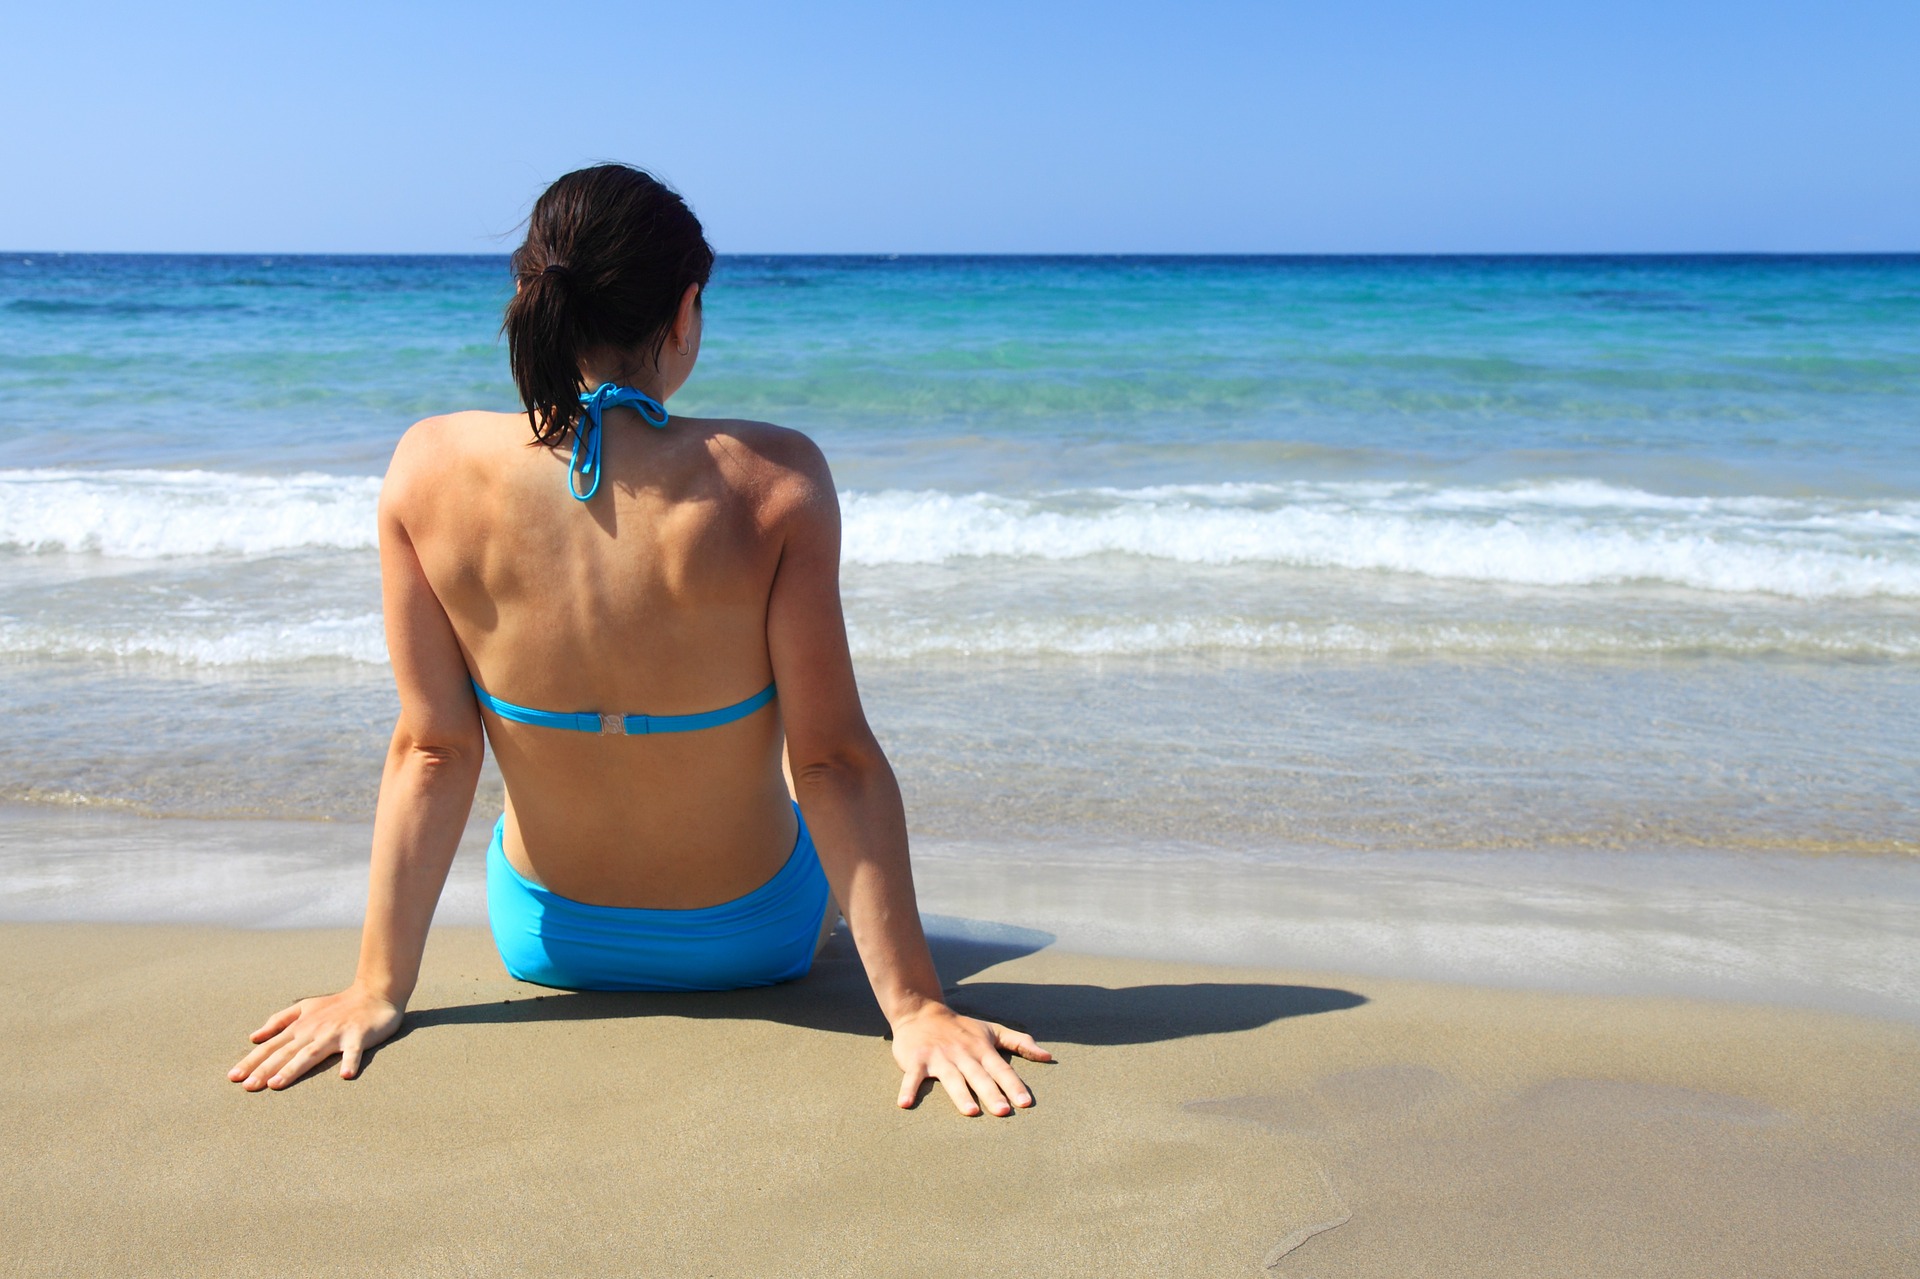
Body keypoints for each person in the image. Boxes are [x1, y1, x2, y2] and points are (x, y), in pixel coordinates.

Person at [228, 164, 1049, 1116]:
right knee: (800, 785)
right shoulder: (774, 478)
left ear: (536, 295)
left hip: (543, 940)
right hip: (753, 939)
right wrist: (914, 1006)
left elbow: (433, 749)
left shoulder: (428, 469)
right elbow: (832, 762)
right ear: (685, 311)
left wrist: (373, 990)